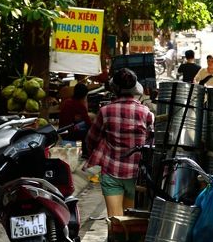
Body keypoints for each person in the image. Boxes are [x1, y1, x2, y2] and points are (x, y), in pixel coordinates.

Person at [84, 68, 154, 218]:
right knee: (129, 220)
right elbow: (150, 141)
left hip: (111, 171)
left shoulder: (105, 111)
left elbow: (91, 139)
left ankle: (114, 240)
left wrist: (97, 153)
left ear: (114, 88)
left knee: (115, 220)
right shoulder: (146, 112)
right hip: (136, 173)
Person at [58, 82, 92, 150]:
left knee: (83, 123)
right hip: (69, 134)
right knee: (89, 131)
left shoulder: (67, 101)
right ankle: (85, 152)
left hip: (62, 130)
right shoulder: (80, 106)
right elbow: (89, 123)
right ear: (84, 95)